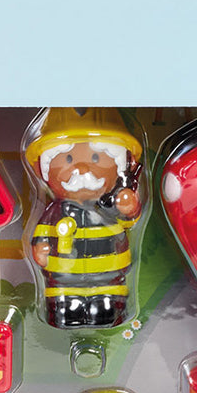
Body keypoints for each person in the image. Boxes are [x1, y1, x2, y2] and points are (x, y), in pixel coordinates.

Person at [25, 107, 143, 329]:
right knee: (66, 312)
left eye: (96, 157)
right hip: (63, 282)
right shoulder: (55, 212)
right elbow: (43, 232)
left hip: (109, 280)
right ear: (42, 170)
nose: (81, 168)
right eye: (68, 158)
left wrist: (128, 206)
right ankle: (67, 310)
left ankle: (107, 310)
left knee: (106, 312)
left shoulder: (110, 206)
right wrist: (40, 248)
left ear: (125, 164)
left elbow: (128, 221)